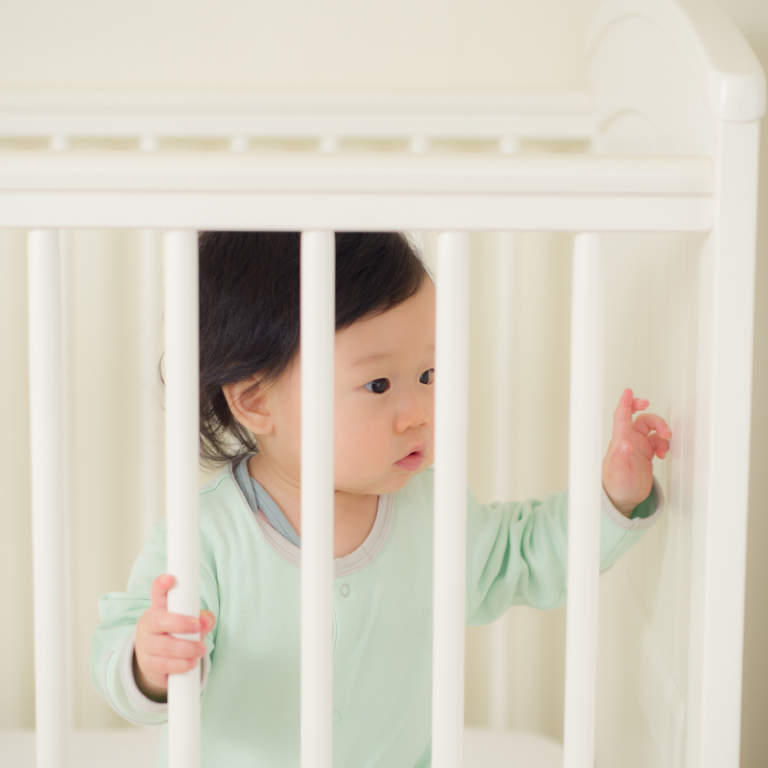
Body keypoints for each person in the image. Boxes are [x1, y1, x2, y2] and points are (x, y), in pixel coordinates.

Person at [90, 231, 671, 767]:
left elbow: (525, 553)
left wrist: (614, 496)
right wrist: (150, 664)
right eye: (378, 385)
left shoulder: (434, 512)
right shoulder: (206, 536)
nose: (417, 412)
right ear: (256, 402)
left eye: (428, 375)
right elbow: (118, 649)